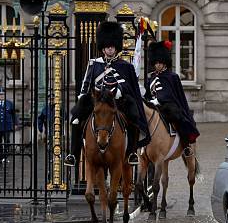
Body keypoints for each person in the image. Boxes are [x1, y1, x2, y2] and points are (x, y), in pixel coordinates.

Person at [64, 21, 150, 167]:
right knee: (76, 119)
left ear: (116, 47)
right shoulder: (94, 63)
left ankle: (131, 152)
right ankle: (73, 154)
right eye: (107, 47)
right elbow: (87, 83)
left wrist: (119, 91)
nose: (110, 49)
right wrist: (82, 96)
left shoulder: (125, 66)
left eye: (112, 46)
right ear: (103, 48)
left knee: (134, 115)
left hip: (117, 101)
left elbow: (129, 85)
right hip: (96, 100)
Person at [145, 40, 199, 155]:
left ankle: (186, 145)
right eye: (156, 62)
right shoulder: (151, 77)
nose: (158, 65)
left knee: (177, 117)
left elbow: (169, 94)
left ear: (165, 62)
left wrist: (159, 100)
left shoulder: (172, 76)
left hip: (167, 105)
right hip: (152, 105)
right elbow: (148, 93)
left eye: (160, 62)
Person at [0, 87, 19, 164]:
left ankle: (5, 156)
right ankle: (1, 157)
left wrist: (15, 123)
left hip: (7, 126)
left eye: (3, 94)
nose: (1, 96)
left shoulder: (9, 103)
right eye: (0, 94)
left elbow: (13, 114)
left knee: (7, 142)